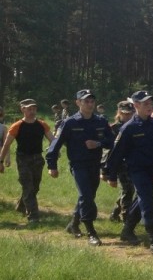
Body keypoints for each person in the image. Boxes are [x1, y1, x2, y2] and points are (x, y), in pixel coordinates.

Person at [105, 91, 153, 255]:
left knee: (142, 200)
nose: (149, 106)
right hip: (136, 170)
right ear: (136, 105)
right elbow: (117, 153)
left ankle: (127, 230)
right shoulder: (129, 128)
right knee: (148, 201)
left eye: (150, 103)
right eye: (145, 104)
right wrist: (110, 174)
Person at [46, 89, 114, 246]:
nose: (90, 104)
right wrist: (52, 165)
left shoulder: (101, 121)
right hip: (78, 165)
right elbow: (55, 145)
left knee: (88, 196)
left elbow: (111, 142)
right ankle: (91, 232)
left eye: (92, 101)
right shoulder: (70, 123)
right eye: (86, 101)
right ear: (78, 103)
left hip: (95, 164)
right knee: (86, 196)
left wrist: (97, 143)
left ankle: (74, 224)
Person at [0, 99, 54, 223]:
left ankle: (21, 206)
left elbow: (53, 139)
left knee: (34, 187)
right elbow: (7, 144)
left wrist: (55, 150)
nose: (32, 111)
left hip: (37, 159)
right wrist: (1, 161)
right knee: (28, 186)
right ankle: (33, 216)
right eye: (29, 109)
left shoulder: (42, 124)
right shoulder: (17, 126)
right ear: (22, 109)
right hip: (23, 159)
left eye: (34, 109)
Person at [107, 101, 136, 223]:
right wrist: (106, 170)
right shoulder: (113, 128)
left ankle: (115, 213)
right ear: (119, 113)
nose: (128, 116)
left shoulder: (135, 126)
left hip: (133, 163)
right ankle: (127, 219)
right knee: (127, 189)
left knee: (130, 190)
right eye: (125, 114)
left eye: (130, 114)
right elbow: (109, 149)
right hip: (120, 164)